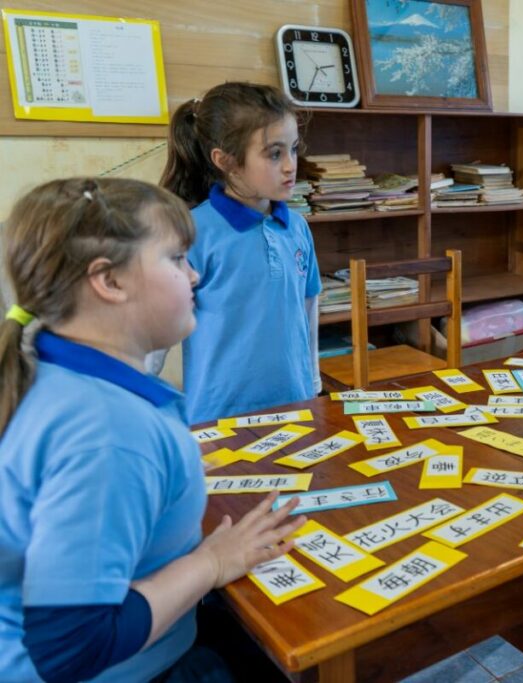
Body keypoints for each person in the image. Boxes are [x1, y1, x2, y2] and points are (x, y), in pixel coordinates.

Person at [0, 177, 305, 683]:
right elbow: (72, 647)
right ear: (109, 281)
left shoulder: (53, 371)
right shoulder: (107, 433)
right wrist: (212, 563)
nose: (193, 276)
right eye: (177, 258)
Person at [159, 82, 321, 424]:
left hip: (295, 409)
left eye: (293, 149)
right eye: (274, 154)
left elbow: (308, 307)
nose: (291, 165)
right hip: (218, 420)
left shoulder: (297, 227)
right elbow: (156, 327)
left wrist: (314, 384)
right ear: (226, 161)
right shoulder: (192, 232)